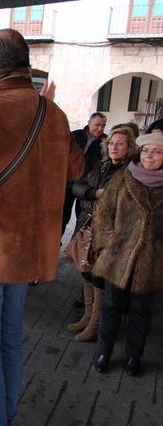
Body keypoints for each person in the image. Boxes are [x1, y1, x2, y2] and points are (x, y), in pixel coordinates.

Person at [0, 29, 84, 426]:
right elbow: (76, 168)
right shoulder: (52, 113)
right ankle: (3, 413)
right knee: (11, 336)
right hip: (29, 250)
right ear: (25, 66)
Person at [92, 132, 163, 377]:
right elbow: (103, 212)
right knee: (110, 307)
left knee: (141, 312)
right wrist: (109, 242)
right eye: (145, 151)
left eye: (156, 151)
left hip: (151, 261)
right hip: (118, 257)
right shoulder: (124, 178)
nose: (149, 156)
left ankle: (134, 356)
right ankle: (104, 352)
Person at [67, 127, 136, 342]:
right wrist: (93, 193)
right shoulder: (100, 165)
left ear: (129, 148)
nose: (114, 147)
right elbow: (77, 186)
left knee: (99, 279)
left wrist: (92, 196)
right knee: (86, 272)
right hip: (87, 225)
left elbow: (123, 206)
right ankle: (87, 317)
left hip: (109, 232)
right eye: (112, 143)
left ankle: (95, 325)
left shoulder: (130, 172)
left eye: (120, 144)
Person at [62, 112, 107, 235]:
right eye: (97, 125)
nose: (100, 128)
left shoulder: (105, 142)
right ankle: (56, 242)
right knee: (63, 215)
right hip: (68, 182)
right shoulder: (75, 135)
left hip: (87, 185)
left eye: (103, 125)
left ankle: (76, 248)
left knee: (82, 217)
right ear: (89, 123)